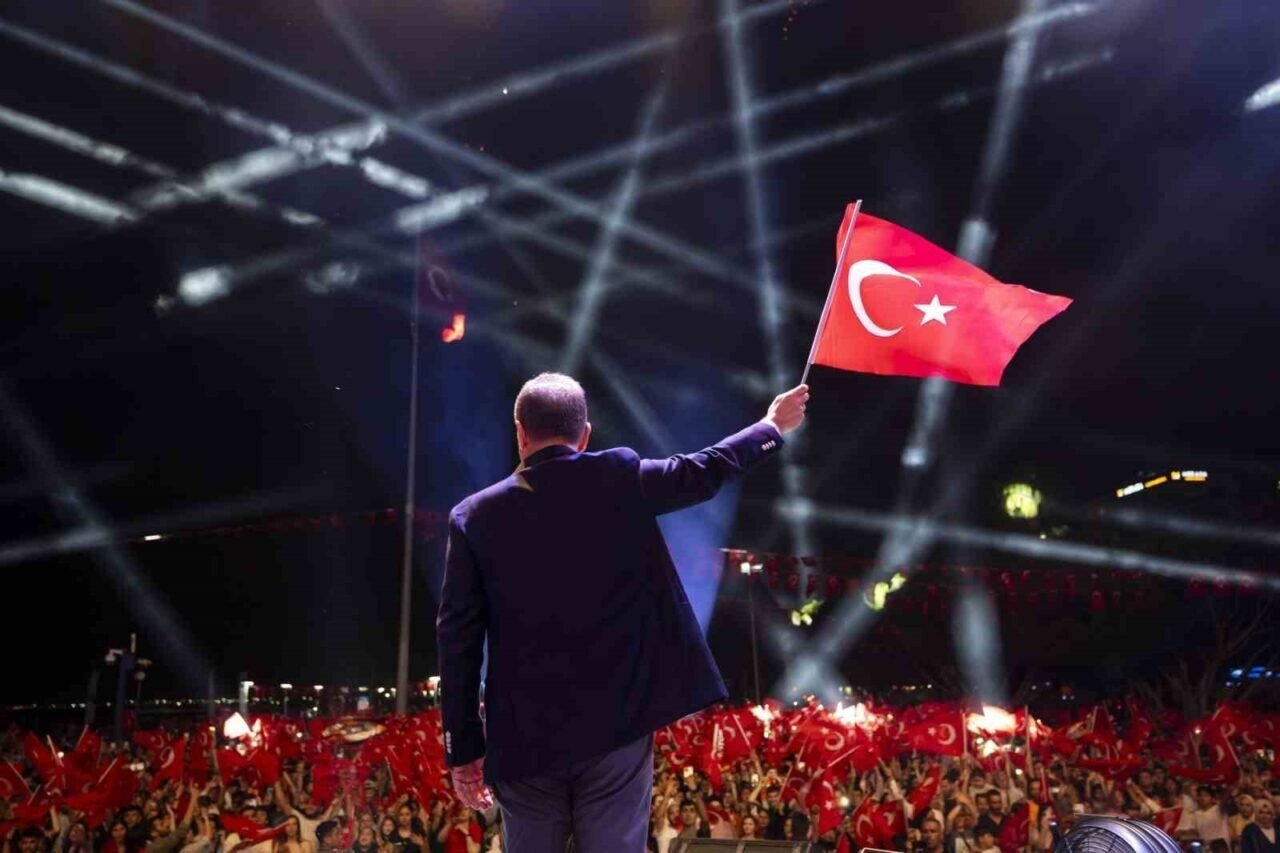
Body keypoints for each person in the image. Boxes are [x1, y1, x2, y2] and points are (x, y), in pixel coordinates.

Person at [437, 372, 808, 853]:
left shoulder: (474, 517)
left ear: (520, 433)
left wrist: (464, 749)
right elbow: (703, 470)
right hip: (617, 725)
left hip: (524, 738)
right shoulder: (619, 476)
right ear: (584, 434)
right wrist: (770, 426)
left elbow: (458, 642)